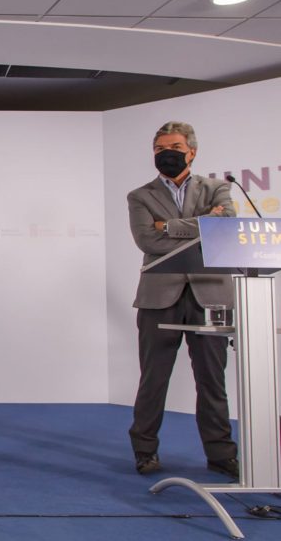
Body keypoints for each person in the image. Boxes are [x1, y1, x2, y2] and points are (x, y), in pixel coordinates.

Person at [127, 121, 238, 479]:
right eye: (159, 149)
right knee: (153, 379)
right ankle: (145, 452)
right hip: (159, 297)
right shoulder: (140, 196)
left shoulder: (218, 188)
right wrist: (201, 223)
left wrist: (168, 226)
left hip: (211, 295)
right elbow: (148, 242)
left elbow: (226, 227)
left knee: (212, 381)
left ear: (191, 151)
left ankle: (221, 455)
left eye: (173, 147)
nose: (166, 154)